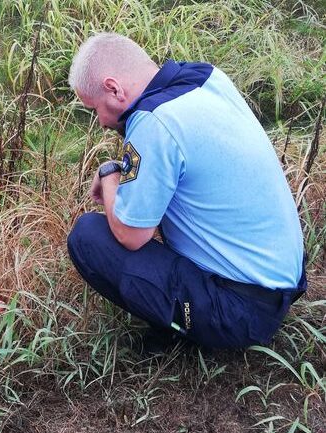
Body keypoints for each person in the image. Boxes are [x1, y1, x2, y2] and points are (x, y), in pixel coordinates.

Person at [66, 33, 306, 350]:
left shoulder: (154, 123)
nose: (99, 122)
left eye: (94, 108)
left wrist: (109, 175)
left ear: (114, 88)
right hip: (281, 283)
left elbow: (130, 235)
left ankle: (183, 331)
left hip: (240, 314)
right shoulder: (205, 78)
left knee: (88, 237)